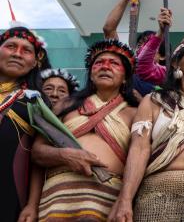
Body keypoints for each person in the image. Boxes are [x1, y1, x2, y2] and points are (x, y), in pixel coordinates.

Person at [109, 39, 184, 222]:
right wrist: (125, 199)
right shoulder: (153, 101)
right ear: (176, 63)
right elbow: (139, 150)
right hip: (154, 200)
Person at [33, 40, 138, 221]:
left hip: (108, 197)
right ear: (90, 74)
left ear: (126, 78)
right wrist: (65, 155)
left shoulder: (136, 112)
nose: (105, 67)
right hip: (57, 194)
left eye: (114, 63)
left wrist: (124, 201)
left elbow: (140, 160)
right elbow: (37, 152)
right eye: (99, 63)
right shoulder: (65, 105)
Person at [0, 27, 47, 222]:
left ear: (36, 61)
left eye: (26, 50)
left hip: (7, 196)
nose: (17, 54)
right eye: (11, 46)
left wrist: (32, 204)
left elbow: (39, 159)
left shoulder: (36, 103)